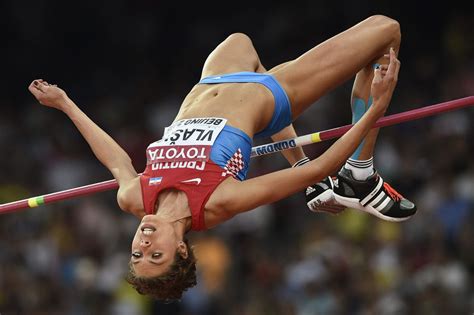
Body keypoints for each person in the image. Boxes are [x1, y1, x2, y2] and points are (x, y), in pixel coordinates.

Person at [28, 15, 416, 303]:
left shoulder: (133, 198)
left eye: (137, 252)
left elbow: (114, 158)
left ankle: (293, 156)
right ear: (180, 250)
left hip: (211, 84)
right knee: (385, 31)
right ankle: (361, 175)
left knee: (239, 39)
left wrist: (65, 104)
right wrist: (376, 108)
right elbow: (323, 167)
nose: (144, 241)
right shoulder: (217, 204)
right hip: (270, 95)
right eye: (155, 254)